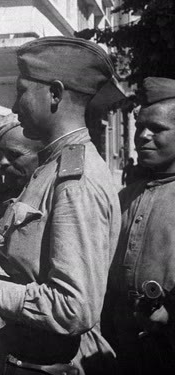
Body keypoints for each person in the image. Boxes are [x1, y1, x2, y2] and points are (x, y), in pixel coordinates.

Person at [0, 36, 122, 374]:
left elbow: (74, 307)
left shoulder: (74, 181)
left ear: (55, 94)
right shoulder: (51, 168)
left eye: (22, 91)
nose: (15, 107)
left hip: (48, 362)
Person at [104, 77, 175, 374]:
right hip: (121, 345)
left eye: (157, 129)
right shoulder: (123, 196)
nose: (143, 136)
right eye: (141, 128)